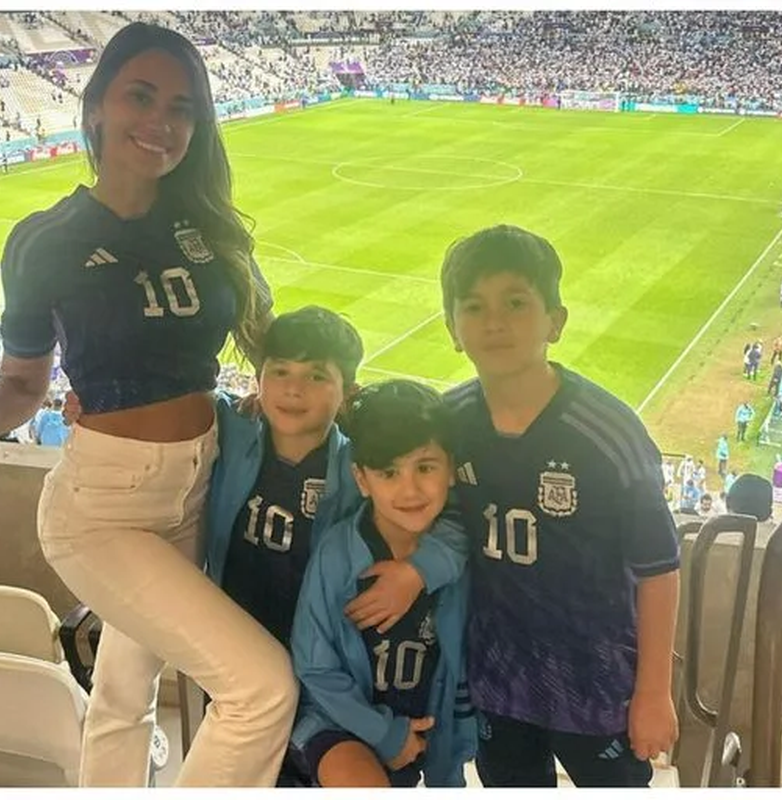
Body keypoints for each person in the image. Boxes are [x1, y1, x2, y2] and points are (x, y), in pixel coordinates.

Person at [0, 23, 296, 788]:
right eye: (140, 96)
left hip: (196, 488)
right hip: (101, 506)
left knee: (123, 694)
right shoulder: (44, 240)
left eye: (183, 107)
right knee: (260, 686)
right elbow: (22, 381)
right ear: (96, 108)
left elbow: (266, 344)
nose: (162, 122)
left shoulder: (210, 230)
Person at [439, 225, 680, 787]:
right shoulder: (445, 423)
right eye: (474, 306)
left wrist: (652, 691)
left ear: (556, 321)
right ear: (453, 328)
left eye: (516, 303)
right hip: (497, 680)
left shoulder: (609, 433)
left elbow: (658, 569)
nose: (494, 322)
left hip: (596, 684)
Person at [203, 307, 468, 784]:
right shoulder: (234, 431)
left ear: (348, 391)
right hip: (238, 651)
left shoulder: (359, 467)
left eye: (315, 375)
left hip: (321, 665)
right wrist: (92, 405)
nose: (293, 388)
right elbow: (180, 409)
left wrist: (420, 569)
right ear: (258, 379)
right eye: (279, 371)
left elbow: (451, 518)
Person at [290, 380, 475, 787]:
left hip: (424, 734)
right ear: (361, 479)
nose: (409, 489)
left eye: (425, 467)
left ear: (452, 470)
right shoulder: (338, 554)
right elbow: (315, 667)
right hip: (337, 725)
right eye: (388, 472)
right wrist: (384, 734)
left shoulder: (459, 556)